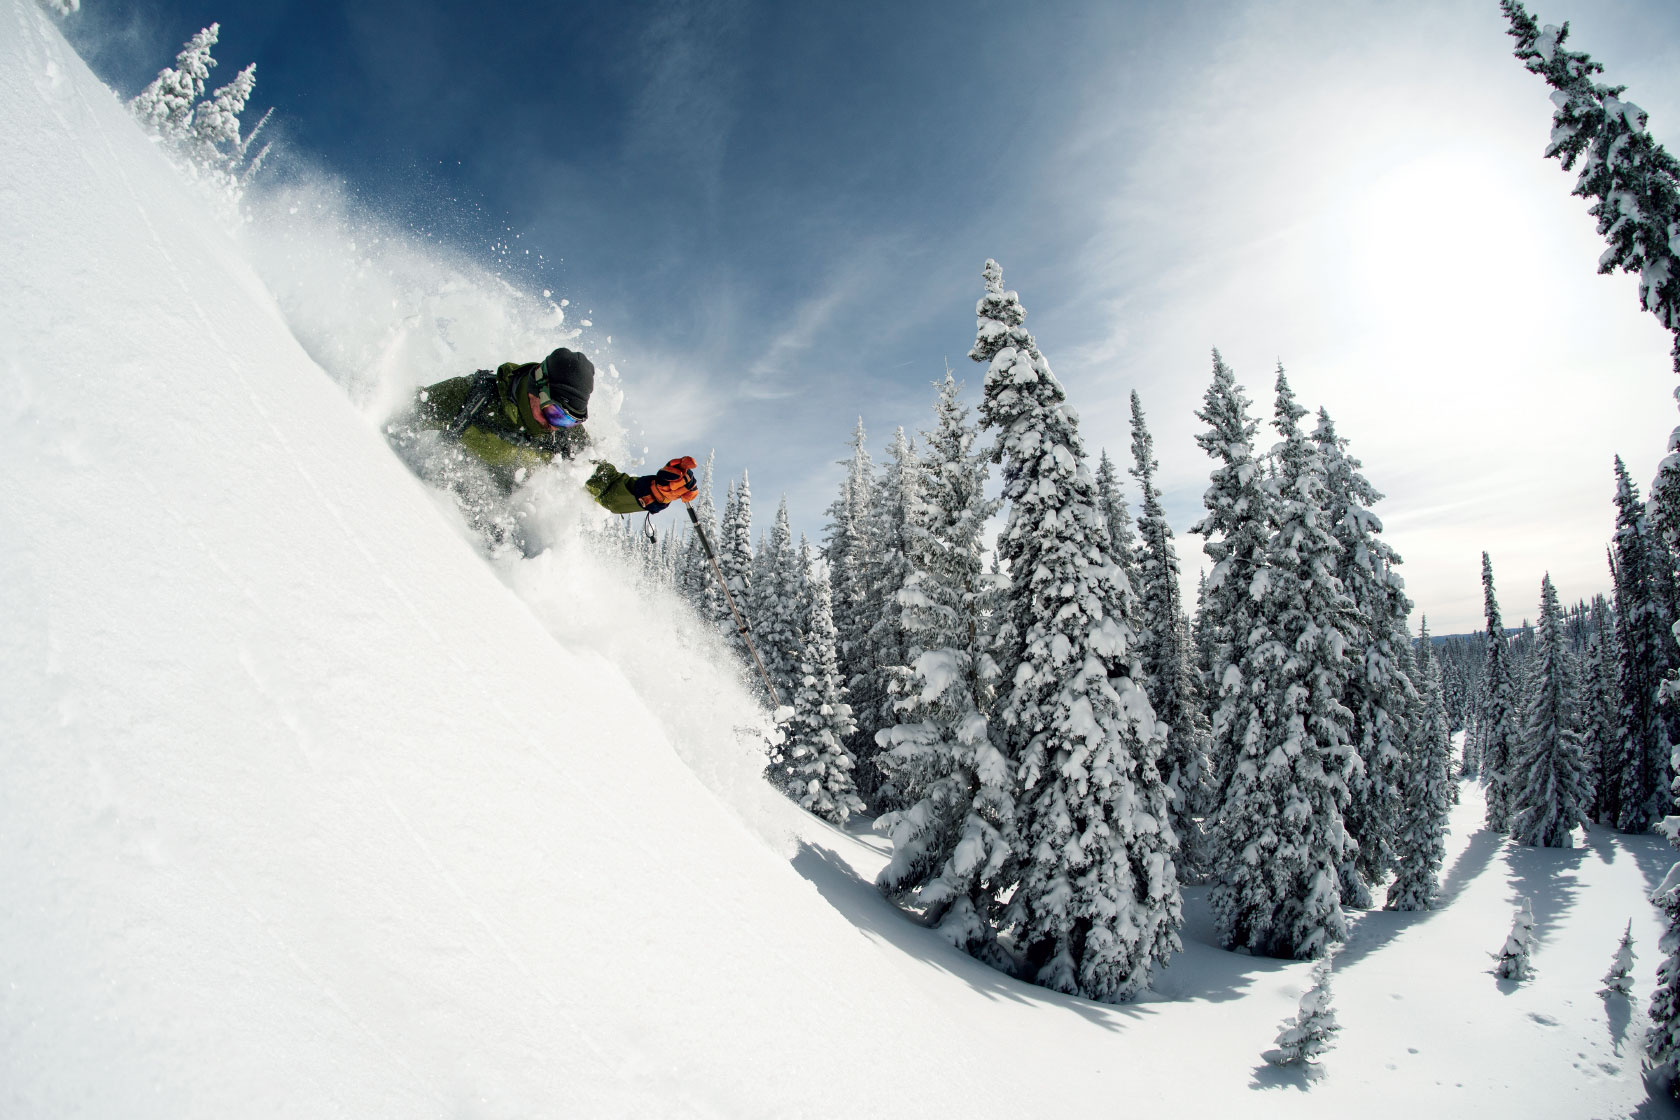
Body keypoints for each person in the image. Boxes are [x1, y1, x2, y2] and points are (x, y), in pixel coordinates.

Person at [402, 346, 698, 514]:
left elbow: (606, 486)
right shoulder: (475, 398)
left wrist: (653, 493)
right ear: (536, 387)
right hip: (428, 503)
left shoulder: (564, 440)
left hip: (493, 531)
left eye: (569, 421)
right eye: (555, 413)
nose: (555, 426)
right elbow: (406, 410)